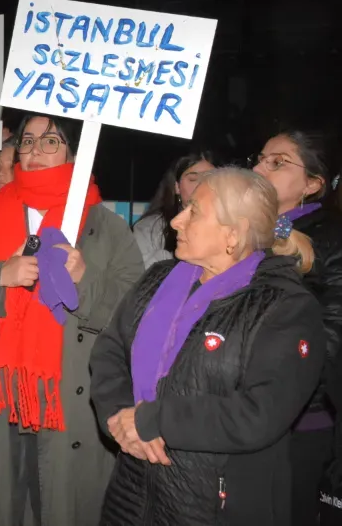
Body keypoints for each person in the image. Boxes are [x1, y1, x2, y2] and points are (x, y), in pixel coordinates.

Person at [90, 167, 326, 525]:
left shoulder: (284, 307)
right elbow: (110, 351)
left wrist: (154, 419)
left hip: (215, 507)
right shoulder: (157, 281)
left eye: (194, 212)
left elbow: (261, 413)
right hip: (132, 494)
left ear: (233, 234)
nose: (176, 221)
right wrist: (120, 419)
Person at [0, 113, 144, 526]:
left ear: (74, 152)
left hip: (68, 402)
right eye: (27, 141)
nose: (35, 150)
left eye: (50, 141)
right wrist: (0, 275)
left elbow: (133, 314)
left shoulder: (107, 226)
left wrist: (84, 279)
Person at [251, 129, 342, 524]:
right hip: (244, 412)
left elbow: (332, 331)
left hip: (299, 418)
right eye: (259, 159)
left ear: (312, 184)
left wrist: (287, 391)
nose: (259, 168)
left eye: (277, 162)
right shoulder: (250, 232)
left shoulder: (331, 237)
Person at [133, 150, 217, 268]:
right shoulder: (150, 229)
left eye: (210, 178)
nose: (202, 185)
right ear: (177, 187)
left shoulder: (230, 225)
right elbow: (139, 274)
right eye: (193, 179)